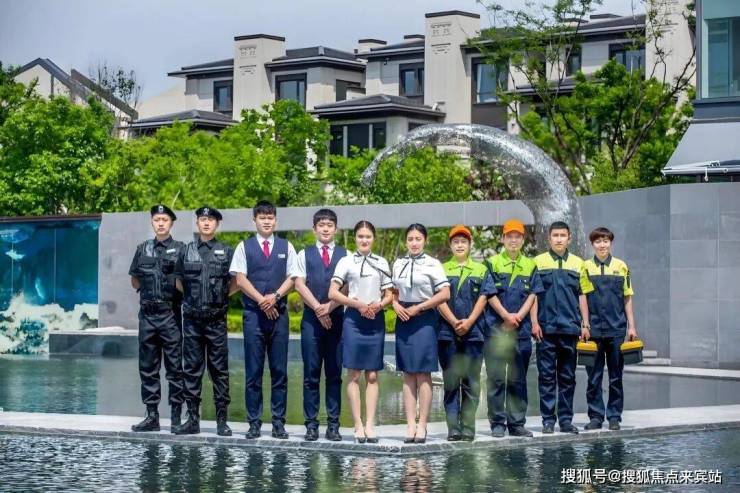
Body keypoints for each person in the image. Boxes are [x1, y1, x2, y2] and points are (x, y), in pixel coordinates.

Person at [230, 200, 297, 439]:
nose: (266, 221)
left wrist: (275, 296)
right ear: (254, 221)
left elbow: (293, 277)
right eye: (262, 218)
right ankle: (254, 423)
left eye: (270, 218)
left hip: (279, 316)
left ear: (275, 221)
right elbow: (240, 279)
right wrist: (262, 300)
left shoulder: (286, 246)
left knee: (279, 371)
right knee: (253, 372)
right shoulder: (244, 247)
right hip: (253, 316)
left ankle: (278, 423)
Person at [173, 206, 235, 436]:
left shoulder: (226, 251)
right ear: (197, 223)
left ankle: (222, 421)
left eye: (210, 220)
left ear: (217, 224)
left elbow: (236, 282)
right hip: (192, 321)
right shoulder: (186, 251)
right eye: (202, 219)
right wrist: (194, 299)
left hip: (216, 320)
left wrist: (219, 298)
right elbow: (178, 281)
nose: (206, 223)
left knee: (219, 371)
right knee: (191, 370)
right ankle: (192, 420)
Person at [329, 220, 393, 443]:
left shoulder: (381, 261)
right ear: (355, 238)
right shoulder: (346, 261)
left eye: (368, 236)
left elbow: (389, 295)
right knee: (354, 374)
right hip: (354, 320)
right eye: (360, 236)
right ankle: (357, 424)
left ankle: (370, 425)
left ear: (373, 238)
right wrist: (356, 304)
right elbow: (333, 293)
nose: (364, 240)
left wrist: (379, 305)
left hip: (375, 319)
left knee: (373, 375)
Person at [293, 208, 349, 442]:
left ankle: (333, 425)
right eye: (321, 225)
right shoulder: (303, 254)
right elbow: (299, 284)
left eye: (330, 225)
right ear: (314, 229)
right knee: (311, 374)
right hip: (311, 321)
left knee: (334, 374)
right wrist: (318, 308)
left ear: (336, 229)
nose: (326, 229)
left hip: (337, 320)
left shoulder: (346, 255)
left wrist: (330, 307)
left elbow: (348, 285)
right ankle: (311, 425)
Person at [392, 223, 451, 444]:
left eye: (418, 239)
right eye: (410, 239)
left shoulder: (433, 263)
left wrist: (420, 307)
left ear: (425, 240)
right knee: (408, 372)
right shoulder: (398, 263)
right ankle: (410, 425)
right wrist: (395, 305)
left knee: (423, 372)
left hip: (425, 317)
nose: (414, 243)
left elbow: (444, 293)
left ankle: (423, 425)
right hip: (403, 318)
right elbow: (393, 291)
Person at [484, 219, 543, 438]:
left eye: (518, 236)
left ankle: (517, 423)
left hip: (521, 331)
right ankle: (497, 423)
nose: (513, 240)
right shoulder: (491, 263)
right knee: (496, 378)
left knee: (518, 379)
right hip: (496, 331)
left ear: (523, 240)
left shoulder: (530, 265)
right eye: (509, 236)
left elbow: (533, 294)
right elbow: (489, 293)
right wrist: (505, 316)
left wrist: (518, 316)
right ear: (503, 239)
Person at [129, 204, 185, 433]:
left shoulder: (181, 249)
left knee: (174, 367)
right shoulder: (142, 249)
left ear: (171, 223)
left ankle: (176, 417)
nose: (160, 223)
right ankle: (152, 416)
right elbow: (134, 279)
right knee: (148, 367)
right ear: (152, 222)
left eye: (164, 220)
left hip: (169, 315)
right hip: (148, 316)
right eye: (156, 220)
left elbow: (185, 283)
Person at [437, 225, 494, 441]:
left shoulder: (481, 269)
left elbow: (484, 297)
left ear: (470, 245)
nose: (459, 245)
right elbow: (438, 299)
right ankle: (453, 428)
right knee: (451, 382)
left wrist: (469, 322)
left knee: (471, 382)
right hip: (447, 333)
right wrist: (454, 322)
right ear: (450, 245)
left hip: (474, 333)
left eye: (463, 242)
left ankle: (468, 428)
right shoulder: (441, 269)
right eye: (455, 242)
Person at [532, 221, 589, 434]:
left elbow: (582, 295)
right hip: (545, 329)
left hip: (570, 329)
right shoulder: (538, 262)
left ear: (569, 238)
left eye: (562, 235)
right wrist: (534, 322)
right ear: (549, 238)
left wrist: (585, 324)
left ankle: (565, 421)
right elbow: (533, 295)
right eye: (555, 235)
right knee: (546, 377)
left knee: (567, 377)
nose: (558, 239)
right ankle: (548, 420)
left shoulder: (578, 264)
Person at [580, 227, 638, 431]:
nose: (602, 245)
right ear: (592, 244)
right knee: (593, 377)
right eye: (598, 241)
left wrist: (632, 326)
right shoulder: (586, 267)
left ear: (610, 243)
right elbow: (583, 297)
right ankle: (596, 416)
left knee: (615, 376)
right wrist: (585, 324)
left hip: (616, 329)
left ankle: (614, 416)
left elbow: (627, 297)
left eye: (605, 241)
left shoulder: (621, 266)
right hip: (593, 331)